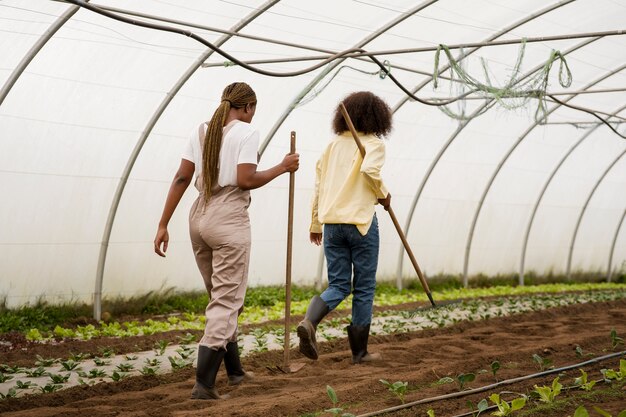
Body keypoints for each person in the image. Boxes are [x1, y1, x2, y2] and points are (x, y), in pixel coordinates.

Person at [154, 82, 299, 400]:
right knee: (226, 302)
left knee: (220, 298)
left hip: (199, 219)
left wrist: (163, 223)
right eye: (252, 110)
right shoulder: (246, 132)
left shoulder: (202, 130)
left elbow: (181, 177)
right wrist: (282, 167)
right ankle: (204, 385)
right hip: (228, 221)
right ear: (247, 108)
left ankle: (234, 372)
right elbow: (246, 178)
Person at [297, 91, 392, 365]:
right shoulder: (373, 144)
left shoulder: (332, 147)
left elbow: (319, 187)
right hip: (360, 223)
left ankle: (310, 321)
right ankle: (359, 353)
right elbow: (370, 173)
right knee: (363, 287)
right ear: (377, 116)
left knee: (339, 284)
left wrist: (315, 223)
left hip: (332, 225)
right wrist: (383, 194)